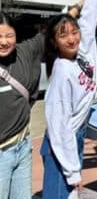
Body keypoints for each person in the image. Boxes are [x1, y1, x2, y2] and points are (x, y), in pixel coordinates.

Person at [40, 0, 97, 199]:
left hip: (74, 136)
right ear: (54, 42)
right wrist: (72, 171)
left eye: (74, 32)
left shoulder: (84, 48)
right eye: (63, 35)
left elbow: (90, 11)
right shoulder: (61, 71)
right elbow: (59, 127)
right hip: (61, 144)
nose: (72, 38)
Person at [0, 11, 44, 198]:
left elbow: (48, 34)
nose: (4, 41)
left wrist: (79, 7)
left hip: (23, 146)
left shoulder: (23, 52)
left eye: (9, 35)